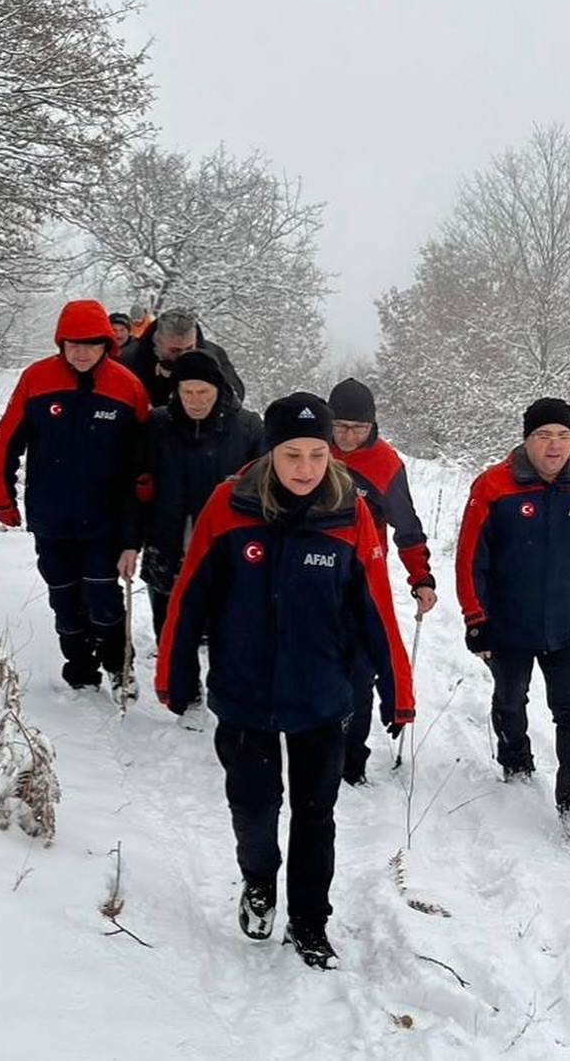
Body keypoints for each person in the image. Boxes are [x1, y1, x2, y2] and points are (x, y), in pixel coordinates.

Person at [155, 393, 415, 969]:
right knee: (253, 808)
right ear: (271, 453)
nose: (305, 468)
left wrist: (398, 690)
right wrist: (172, 669)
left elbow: (378, 610)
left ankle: (309, 921)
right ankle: (258, 881)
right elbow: (191, 593)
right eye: (292, 454)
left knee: (315, 815)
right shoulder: (230, 504)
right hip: (244, 691)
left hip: (321, 695)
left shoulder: (352, 514)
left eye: (318, 454)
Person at [455, 397, 570, 841]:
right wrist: (475, 617)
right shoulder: (494, 486)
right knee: (511, 699)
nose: (555, 447)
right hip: (509, 625)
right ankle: (514, 755)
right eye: (544, 436)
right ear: (527, 439)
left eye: (563, 436)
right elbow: (470, 557)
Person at [0, 300, 150, 699]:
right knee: (63, 596)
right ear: (61, 343)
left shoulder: (127, 386)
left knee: (102, 597)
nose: (81, 352)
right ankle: (79, 667)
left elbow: (142, 466)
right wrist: (2, 497)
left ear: (106, 345)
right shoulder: (37, 379)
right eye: (73, 344)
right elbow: (7, 440)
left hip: (104, 519)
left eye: (91, 344)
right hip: (51, 514)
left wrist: (136, 525)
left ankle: (119, 665)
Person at [327, 378, 438, 785]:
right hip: (309, 577)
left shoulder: (385, 463)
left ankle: (351, 758)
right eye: (340, 426)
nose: (348, 436)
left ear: (372, 425)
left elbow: (407, 527)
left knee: (360, 668)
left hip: (362, 580)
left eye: (358, 427)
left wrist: (421, 577)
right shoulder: (312, 450)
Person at [119, 349, 264, 649]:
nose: (195, 400)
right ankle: (179, 693)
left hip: (225, 553)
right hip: (166, 545)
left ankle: (219, 692)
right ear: (177, 391)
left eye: (203, 392)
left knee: (224, 640)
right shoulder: (157, 427)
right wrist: (130, 543)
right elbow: (136, 489)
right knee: (172, 636)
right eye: (188, 392)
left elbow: (265, 496)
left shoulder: (248, 429)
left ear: (219, 389)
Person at [120, 306, 246, 406]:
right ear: (157, 341)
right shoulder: (128, 361)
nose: (183, 355)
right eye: (175, 350)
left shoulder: (213, 355)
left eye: (189, 348)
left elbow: (235, 399)